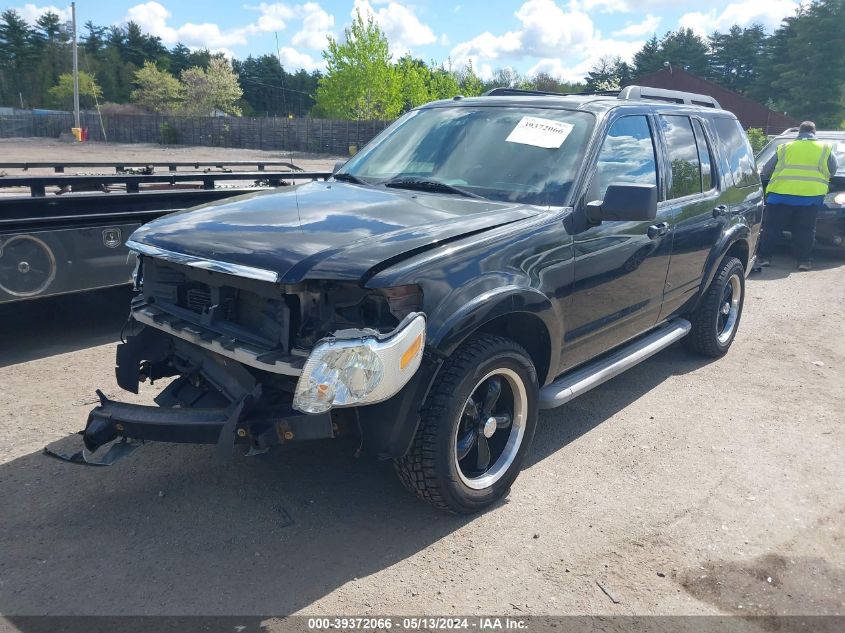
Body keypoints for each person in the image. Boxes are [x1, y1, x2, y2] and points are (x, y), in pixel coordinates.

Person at [758, 121, 838, 271]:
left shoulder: (784, 147)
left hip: (780, 196)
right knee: (805, 230)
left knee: (772, 228)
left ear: (799, 132)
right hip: (810, 197)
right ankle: (803, 261)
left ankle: (764, 258)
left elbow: (766, 170)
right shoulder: (825, 149)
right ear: (814, 133)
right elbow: (833, 170)